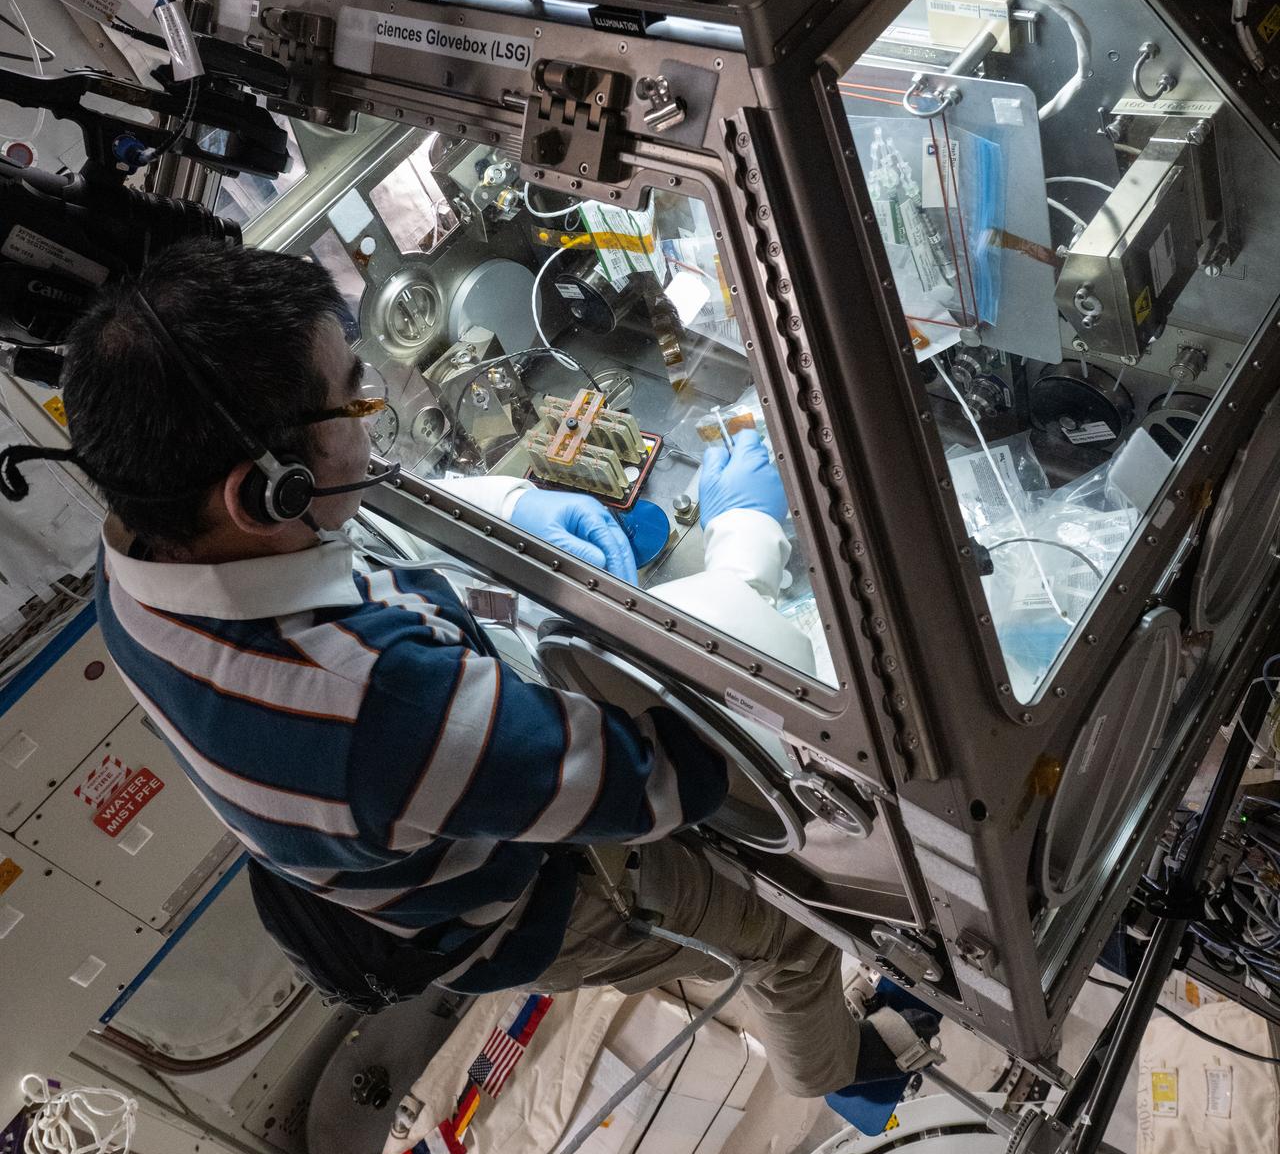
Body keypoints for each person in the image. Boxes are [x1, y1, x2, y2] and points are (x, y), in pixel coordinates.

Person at [0, 242, 929, 1104]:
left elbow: (350, 536)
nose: (373, 420)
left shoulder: (141, 551)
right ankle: (837, 1073)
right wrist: (746, 547)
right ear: (265, 492)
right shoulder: (373, 709)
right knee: (787, 939)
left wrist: (511, 503)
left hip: (394, 828)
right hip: (523, 904)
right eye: (354, 404)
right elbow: (675, 776)